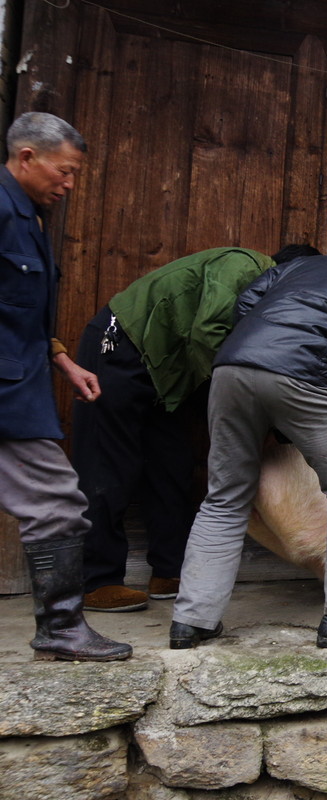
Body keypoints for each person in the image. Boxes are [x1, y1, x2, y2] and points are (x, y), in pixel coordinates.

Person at [168, 246, 327, 649]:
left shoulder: (308, 264)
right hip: (304, 376)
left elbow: (248, 300)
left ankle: (192, 621)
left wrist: (261, 355)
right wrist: (299, 415)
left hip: (232, 368)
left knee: (224, 498)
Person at [73, 243, 321, 614]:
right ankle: (98, 581)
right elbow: (209, 330)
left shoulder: (265, 297)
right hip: (121, 346)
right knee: (110, 465)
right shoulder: (244, 264)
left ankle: (168, 572)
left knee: (172, 466)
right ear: (290, 273)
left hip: (166, 376)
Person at [0, 111, 131, 661]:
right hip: (7, 394)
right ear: (26, 157)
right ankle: (59, 629)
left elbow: (19, 314)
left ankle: (60, 628)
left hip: (23, 379)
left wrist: (61, 359)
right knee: (57, 501)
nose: (69, 184)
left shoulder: (28, 217)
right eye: (64, 170)